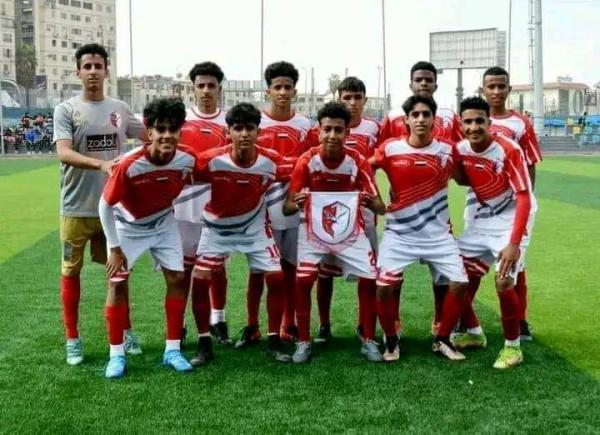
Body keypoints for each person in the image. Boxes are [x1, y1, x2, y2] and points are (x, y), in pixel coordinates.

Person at [53, 43, 146, 366]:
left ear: (107, 71)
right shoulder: (66, 109)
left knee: (118, 273)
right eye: (87, 66)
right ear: (78, 72)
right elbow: (63, 152)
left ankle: (126, 331)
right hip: (76, 208)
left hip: (113, 210)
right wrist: (102, 164)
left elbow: (150, 136)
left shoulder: (119, 108)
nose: (93, 71)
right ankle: (72, 339)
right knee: (71, 271)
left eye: (98, 66)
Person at [99, 97, 196, 378]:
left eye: (173, 129)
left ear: (180, 131)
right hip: (127, 227)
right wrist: (114, 248)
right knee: (117, 285)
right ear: (149, 132)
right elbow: (104, 205)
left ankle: (172, 350)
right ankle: (116, 355)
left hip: (164, 223)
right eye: (160, 129)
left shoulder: (188, 160)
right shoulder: (130, 164)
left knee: (177, 279)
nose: (167, 135)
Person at [283, 101, 385, 363]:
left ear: (347, 133)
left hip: (350, 231)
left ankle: (368, 339)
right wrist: (298, 202)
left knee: (370, 276)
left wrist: (367, 200)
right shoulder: (307, 161)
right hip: (313, 232)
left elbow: (380, 207)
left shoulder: (357, 161)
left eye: (338, 130)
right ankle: (304, 341)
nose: (332, 135)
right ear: (318, 131)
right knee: (304, 279)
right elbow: (287, 207)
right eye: (327, 129)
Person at [192, 102, 293, 363]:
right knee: (200, 280)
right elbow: (180, 171)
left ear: (259, 132)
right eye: (238, 128)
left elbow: (301, 170)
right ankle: (204, 343)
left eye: (250, 128)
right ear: (228, 132)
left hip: (254, 227)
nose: (244, 134)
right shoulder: (211, 160)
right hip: (217, 228)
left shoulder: (271, 161)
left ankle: (274, 340)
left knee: (276, 277)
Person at [372, 95, 468, 362]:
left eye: (426, 114)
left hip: (438, 235)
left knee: (460, 283)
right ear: (406, 120)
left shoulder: (448, 150)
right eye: (415, 115)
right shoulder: (390, 148)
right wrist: (375, 199)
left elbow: (464, 178)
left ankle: (442, 339)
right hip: (399, 234)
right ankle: (391, 339)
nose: (421, 119)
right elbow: (363, 169)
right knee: (383, 287)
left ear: (434, 119)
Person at [452, 96, 536, 369]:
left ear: (489, 122)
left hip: (512, 218)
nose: (474, 127)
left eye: (479, 121)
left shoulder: (508, 149)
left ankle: (513, 347)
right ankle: (475, 333)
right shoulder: (460, 149)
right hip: (483, 218)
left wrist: (514, 244)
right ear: (461, 125)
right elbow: (461, 177)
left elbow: (524, 197)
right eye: (468, 122)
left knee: (503, 282)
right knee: (453, 275)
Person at [236, 61, 311, 348]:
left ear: (295, 91)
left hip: (293, 207)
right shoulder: (258, 124)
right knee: (259, 270)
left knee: (290, 268)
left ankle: (288, 323)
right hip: (261, 206)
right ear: (268, 91)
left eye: (287, 87)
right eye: (277, 87)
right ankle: (252, 325)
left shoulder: (305, 125)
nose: (282, 92)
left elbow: (309, 163)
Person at [306, 77, 381, 344]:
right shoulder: (324, 127)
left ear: (365, 100)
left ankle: (364, 325)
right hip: (327, 210)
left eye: (357, 97)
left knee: (367, 271)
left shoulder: (374, 128)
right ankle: (324, 325)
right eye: (347, 97)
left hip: (363, 211)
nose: (352, 102)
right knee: (324, 273)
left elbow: (382, 157)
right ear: (339, 98)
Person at [475, 66, 542, 340]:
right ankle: (465, 321)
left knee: (514, 264)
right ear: (483, 90)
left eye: (501, 86)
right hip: (478, 204)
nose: (496, 91)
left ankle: (520, 321)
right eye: (491, 86)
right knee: (471, 263)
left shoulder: (520, 123)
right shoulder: (472, 119)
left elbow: (530, 163)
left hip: (512, 204)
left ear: (509, 89)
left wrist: (524, 201)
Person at [172, 62, 232, 359]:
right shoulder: (180, 120)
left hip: (216, 200)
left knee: (216, 266)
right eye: (201, 85)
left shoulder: (229, 122)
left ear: (220, 88)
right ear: (192, 88)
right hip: (183, 202)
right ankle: (181, 324)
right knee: (183, 268)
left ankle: (218, 320)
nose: (206, 90)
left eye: (211, 85)